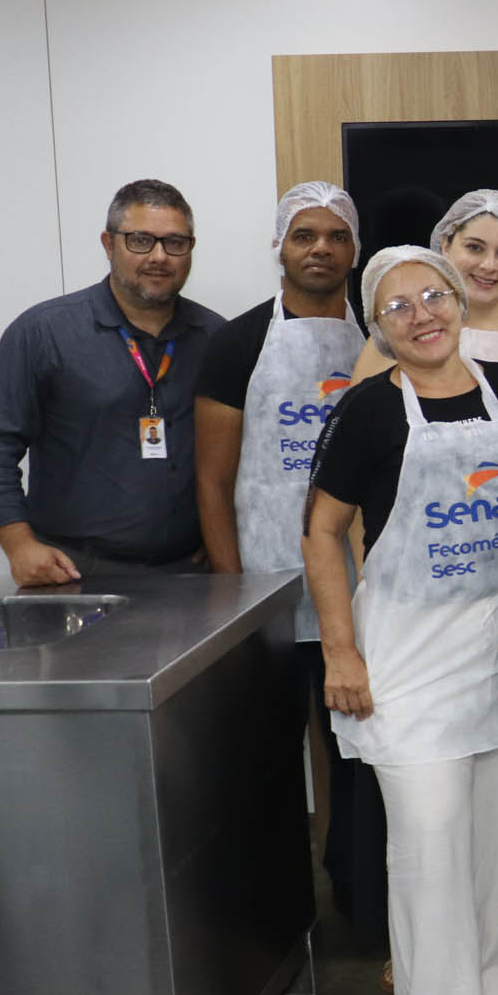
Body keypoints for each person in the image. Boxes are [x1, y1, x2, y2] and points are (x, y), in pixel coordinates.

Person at [302, 247, 498, 995]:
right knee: (429, 839)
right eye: (397, 306)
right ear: (378, 327)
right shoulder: (369, 413)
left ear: (458, 301)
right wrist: (341, 652)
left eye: (433, 296)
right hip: (408, 663)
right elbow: (321, 532)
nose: (421, 314)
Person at [192, 181, 379, 927]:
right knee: (269, 756)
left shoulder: (382, 338)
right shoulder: (238, 343)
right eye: (304, 234)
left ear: (354, 250)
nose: (321, 248)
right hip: (266, 587)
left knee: (359, 754)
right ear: (280, 246)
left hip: (361, 589)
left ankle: (364, 901)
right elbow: (211, 481)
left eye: (336, 235)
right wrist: (233, 592)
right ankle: (271, 917)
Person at [0, 178, 223, 583]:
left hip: (190, 574)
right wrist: (18, 544)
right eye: (140, 240)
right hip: (75, 575)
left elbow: (242, 454)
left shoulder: (215, 338)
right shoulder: (45, 332)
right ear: (108, 244)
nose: (159, 256)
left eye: (175, 243)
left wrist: (223, 534)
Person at [353, 189, 498, 422]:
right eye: (474, 248)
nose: (489, 265)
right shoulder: (397, 340)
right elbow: (359, 432)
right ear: (445, 245)